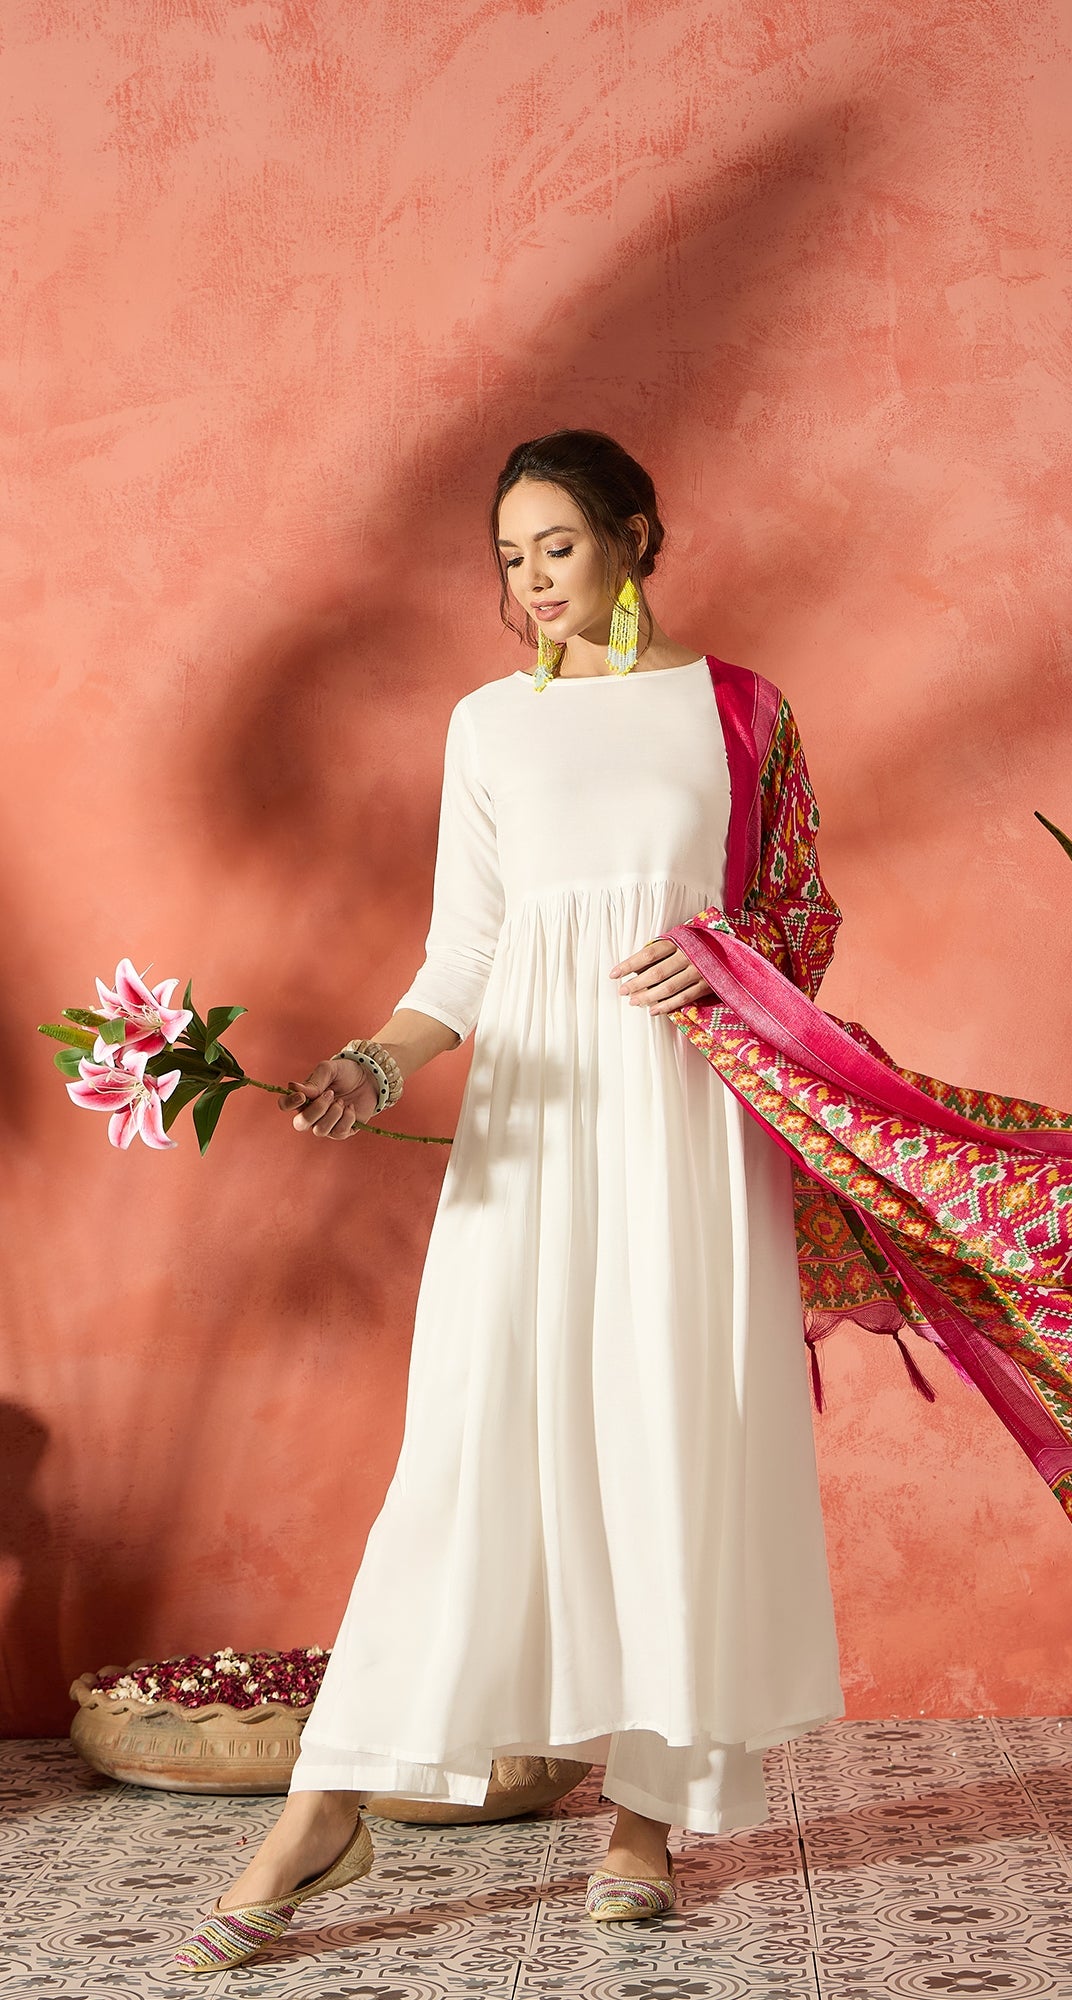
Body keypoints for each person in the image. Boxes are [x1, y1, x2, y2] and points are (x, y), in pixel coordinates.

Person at [174, 429, 844, 1973]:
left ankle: (644, 1823)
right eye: (510, 557)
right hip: (532, 1129)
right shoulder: (488, 726)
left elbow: (801, 918)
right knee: (470, 1446)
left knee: (673, 1441)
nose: (533, 579)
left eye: (559, 544)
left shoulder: (742, 711)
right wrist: (374, 1061)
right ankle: (328, 1804)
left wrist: (727, 962)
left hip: (687, 1124)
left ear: (636, 535)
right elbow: (463, 955)